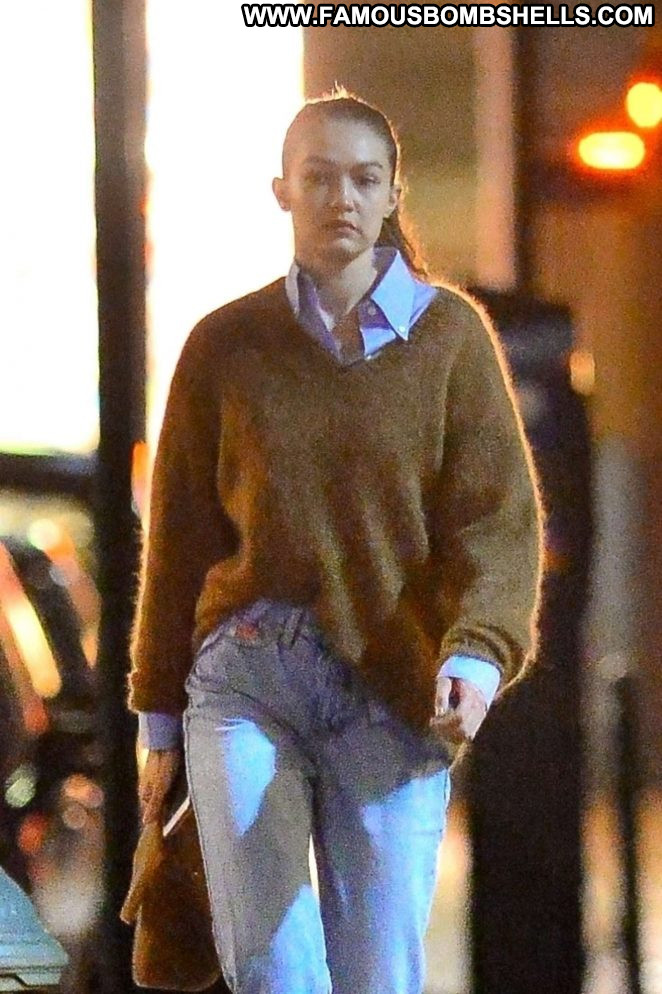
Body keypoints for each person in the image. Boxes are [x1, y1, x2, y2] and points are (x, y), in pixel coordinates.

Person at [129, 89, 544, 994]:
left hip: (392, 684)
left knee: (377, 975)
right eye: (318, 178)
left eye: (363, 179)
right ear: (282, 190)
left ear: (393, 193)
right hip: (247, 677)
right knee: (271, 967)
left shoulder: (450, 341)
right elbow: (179, 541)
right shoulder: (224, 346)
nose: (340, 199)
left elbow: (497, 522)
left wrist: (478, 653)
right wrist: (158, 713)